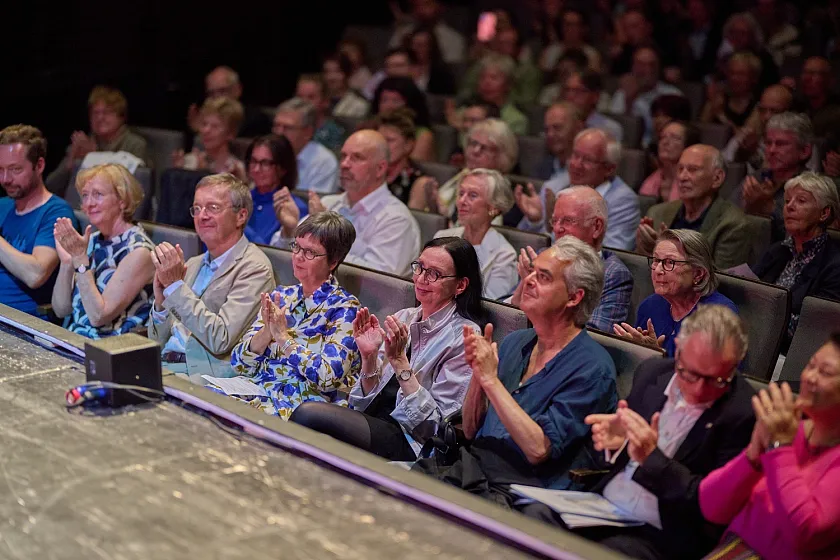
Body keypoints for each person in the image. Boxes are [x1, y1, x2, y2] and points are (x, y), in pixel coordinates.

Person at [526, 304, 756, 560]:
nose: (700, 390)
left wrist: (652, 459)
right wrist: (615, 447)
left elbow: (708, 507)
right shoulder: (652, 374)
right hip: (606, 507)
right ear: (678, 349)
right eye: (690, 374)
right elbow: (610, 458)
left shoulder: (743, 414)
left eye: (716, 380)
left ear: (735, 366)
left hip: (663, 531)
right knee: (534, 518)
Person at [414, 236, 617, 501]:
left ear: (574, 297)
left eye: (543, 276)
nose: (529, 279)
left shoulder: (592, 368)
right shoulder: (515, 342)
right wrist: (477, 374)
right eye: (531, 271)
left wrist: (490, 381)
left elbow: (538, 449)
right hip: (473, 471)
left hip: (523, 494)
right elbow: (472, 429)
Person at [290, 237, 484, 460]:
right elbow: (362, 402)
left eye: (434, 274)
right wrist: (369, 357)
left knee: (309, 414)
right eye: (419, 267)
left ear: (460, 285)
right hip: (375, 421)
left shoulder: (465, 337)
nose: (421, 278)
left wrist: (401, 362)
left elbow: (435, 429)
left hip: (411, 440)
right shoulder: (405, 317)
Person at [699, 334, 840, 559]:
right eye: (811, 365)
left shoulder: (784, 436)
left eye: (826, 373)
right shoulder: (790, 429)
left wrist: (780, 447)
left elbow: (805, 533)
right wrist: (753, 455)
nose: (810, 377)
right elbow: (710, 506)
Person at [223, 212, 360, 419]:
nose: (298, 256)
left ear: (333, 262)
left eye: (310, 252)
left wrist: (282, 338)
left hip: (301, 404)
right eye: (296, 247)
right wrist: (266, 332)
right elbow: (240, 363)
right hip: (257, 390)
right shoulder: (282, 295)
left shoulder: (345, 309)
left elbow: (327, 377)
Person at [148, 173, 275, 378]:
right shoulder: (193, 263)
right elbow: (155, 341)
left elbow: (220, 339)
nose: (202, 216)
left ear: (241, 216)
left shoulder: (255, 268)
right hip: (163, 365)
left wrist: (175, 288)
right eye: (197, 208)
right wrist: (162, 304)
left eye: (213, 208)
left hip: (201, 376)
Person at [273, 130, 421, 278]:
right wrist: (289, 230)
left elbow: (380, 282)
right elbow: (279, 254)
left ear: (380, 168)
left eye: (357, 158)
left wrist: (327, 237)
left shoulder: (396, 220)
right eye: (343, 156)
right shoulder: (328, 204)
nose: (344, 164)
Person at [51, 164, 154, 338]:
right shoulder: (90, 241)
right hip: (73, 340)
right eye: (85, 195)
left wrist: (80, 261)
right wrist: (67, 262)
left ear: (122, 200)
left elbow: (98, 316)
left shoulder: (139, 251)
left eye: (98, 194)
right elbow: (61, 310)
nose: (89, 204)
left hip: (110, 349)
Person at [511, 186, 633, 333]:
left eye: (567, 221)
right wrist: (525, 285)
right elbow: (506, 313)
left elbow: (594, 334)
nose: (557, 228)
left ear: (596, 227)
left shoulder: (613, 274)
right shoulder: (543, 256)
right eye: (554, 221)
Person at [752, 172, 840, 352]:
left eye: (801, 201)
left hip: (794, 354)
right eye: (787, 201)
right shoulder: (777, 250)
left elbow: (813, 328)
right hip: (755, 339)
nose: (789, 207)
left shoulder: (834, 265)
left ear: (824, 213)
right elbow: (749, 289)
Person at [615, 229, 737, 357]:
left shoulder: (720, 317)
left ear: (698, 274)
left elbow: (711, 373)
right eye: (656, 260)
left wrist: (657, 357)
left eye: (670, 262)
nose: (658, 270)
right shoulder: (650, 306)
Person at [0, 125, 78, 317]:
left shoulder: (56, 213)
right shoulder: (3, 205)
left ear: (40, 165)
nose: (5, 179)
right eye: (0, 169)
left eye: (15, 169)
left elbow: (35, 275)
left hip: (22, 322)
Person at [638, 145, 750, 270]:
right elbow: (638, 270)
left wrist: (665, 251)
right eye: (680, 169)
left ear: (717, 178)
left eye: (693, 169)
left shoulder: (733, 224)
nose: (682, 177)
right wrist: (645, 248)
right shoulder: (657, 213)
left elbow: (720, 281)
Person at [46, 86, 148, 195]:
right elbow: (50, 187)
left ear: (121, 117)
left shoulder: (135, 145)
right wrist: (70, 164)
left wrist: (94, 157)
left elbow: (133, 190)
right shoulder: (83, 144)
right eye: (95, 113)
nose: (100, 118)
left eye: (107, 112)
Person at [410, 119, 518, 221]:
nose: (475, 151)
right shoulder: (461, 177)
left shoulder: (505, 194)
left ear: (503, 155)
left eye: (485, 147)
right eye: (473, 143)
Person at [435, 169, 517, 300]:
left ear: (493, 207)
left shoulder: (504, 256)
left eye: (472, 195)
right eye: (461, 193)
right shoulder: (442, 237)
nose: (462, 201)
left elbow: (493, 309)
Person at [734, 112, 814, 242]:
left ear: (804, 151)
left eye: (781, 144)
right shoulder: (756, 179)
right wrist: (748, 208)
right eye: (768, 143)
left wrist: (770, 209)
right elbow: (726, 217)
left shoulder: (811, 188)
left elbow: (801, 237)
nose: (771, 150)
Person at [563, 129, 640, 251]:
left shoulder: (624, 201)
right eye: (575, 155)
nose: (576, 164)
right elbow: (538, 241)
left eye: (587, 159)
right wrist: (535, 220)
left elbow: (612, 253)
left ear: (609, 169)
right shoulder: (562, 187)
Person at [514, 102, 583, 233]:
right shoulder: (540, 170)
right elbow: (523, 231)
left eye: (557, 128)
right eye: (547, 129)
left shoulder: (588, 177)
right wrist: (535, 220)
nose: (550, 134)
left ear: (578, 128)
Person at [608, 47, 684, 146]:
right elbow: (617, 130)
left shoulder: (673, 95)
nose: (648, 70)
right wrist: (629, 101)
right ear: (633, 67)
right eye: (641, 64)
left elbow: (679, 134)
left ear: (658, 68)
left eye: (652, 64)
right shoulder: (622, 94)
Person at [242, 135, 306, 245]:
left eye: (265, 163)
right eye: (253, 161)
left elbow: (272, 251)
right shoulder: (240, 199)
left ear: (283, 168)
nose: (256, 169)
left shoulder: (294, 207)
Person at [722, 84, 795, 173]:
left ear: (789, 113)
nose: (767, 117)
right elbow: (723, 167)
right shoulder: (746, 137)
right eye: (762, 110)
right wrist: (740, 155)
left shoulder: (799, 143)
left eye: (775, 111)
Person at [272, 97, 339, 195]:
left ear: (308, 132)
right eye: (276, 126)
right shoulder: (268, 153)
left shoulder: (324, 162)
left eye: (287, 128)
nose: (279, 132)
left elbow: (316, 205)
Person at [172, 97, 246, 180]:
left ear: (230, 133)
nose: (206, 130)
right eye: (204, 124)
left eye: (215, 126)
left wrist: (202, 174)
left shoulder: (237, 170)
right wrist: (177, 174)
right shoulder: (189, 161)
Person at [186, 66, 271, 138]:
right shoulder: (206, 116)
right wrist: (197, 130)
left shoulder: (255, 119)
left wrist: (201, 131)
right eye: (211, 93)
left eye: (222, 91)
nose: (217, 97)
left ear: (238, 90)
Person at [458, 54, 529, 136]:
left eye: (494, 78)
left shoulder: (516, 120)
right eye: (482, 77)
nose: (486, 83)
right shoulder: (465, 111)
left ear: (509, 84)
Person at [371, 76, 435, 162]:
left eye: (396, 100)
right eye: (384, 100)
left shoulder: (423, 136)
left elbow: (413, 165)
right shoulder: (370, 128)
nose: (389, 106)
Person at [388, 0, 466, 65]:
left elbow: (452, 71)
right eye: (417, 6)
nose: (421, 10)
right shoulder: (402, 33)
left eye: (427, 4)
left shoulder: (453, 39)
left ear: (440, 7)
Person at [639, 121, 701, 202]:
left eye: (675, 138)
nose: (665, 142)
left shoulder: (695, 186)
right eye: (662, 137)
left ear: (689, 146)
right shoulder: (646, 178)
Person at [716, 13, 780, 90]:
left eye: (742, 33)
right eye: (734, 32)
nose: (738, 37)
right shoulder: (725, 58)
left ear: (752, 35)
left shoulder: (764, 58)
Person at [376, 108, 424, 204]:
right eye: (379, 139)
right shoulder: (369, 173)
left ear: (408, 145)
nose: (383, 145)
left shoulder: (418, 183)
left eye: (390, 140)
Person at [563, 71, 623, 144]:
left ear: (595, 96)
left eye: (578, 91)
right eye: (567, 90)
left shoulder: (610, 129)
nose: (570, 96)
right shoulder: (556, 125)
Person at [539, 9, 602, 75]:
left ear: (582, 28)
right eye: (567, 24)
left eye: (575, 25)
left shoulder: (592, 55)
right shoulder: (549, 53)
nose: (571, 29)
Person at [295, 74, 346, 152]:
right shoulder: (288, 128)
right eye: (300, 97)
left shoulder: (334, 133)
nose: (303, 102)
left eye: (311, 97)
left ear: (325, 101)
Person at [444, 98, 501, 167]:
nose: (466, 125)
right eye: (465, 120)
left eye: (474, 121)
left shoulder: (500, 154)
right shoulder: (458, 151)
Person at [795, 56, 840, 137]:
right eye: (805, 72)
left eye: (814, 74)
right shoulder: (797, 107)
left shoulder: (837, 113)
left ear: (830, 80)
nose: (807, 78)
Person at [405, 26, 456, 95]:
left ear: (430, 47)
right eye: (414, 45)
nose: (415, 49)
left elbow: (447, 97)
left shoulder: (442, 72)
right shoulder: (403, 66)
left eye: (421, 45)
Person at [323, 53, 370, 119]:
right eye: (327, 72)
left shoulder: (359, 104)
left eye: (337, 71)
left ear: (347, 73)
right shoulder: (319, 100)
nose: (331, 77)